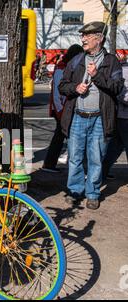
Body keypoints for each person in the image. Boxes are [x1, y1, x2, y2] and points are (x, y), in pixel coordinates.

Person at [59, 21, 124, 210]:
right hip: (78, 116)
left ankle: (93, 193)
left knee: (96, 158)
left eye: (88, 35)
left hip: (100, 119)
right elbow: (62, 85)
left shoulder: (111, 61)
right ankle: (75, 191)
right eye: (83, 36)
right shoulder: (77, 60)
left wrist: (96, 75)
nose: (83, 39)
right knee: (75, 157)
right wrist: (75, 88)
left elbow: (117, 87)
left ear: (99, 38)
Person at [41, 44, 84, 173]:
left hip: (63, 109)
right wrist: (60, 111)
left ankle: (51, 163)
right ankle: (52, 163)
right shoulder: (61, 69)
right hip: (62, 110)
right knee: (63, 136)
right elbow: (57, 94)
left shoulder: (64, 67)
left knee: (61, 137)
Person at [103, 57, 128, 179]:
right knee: (116, 146)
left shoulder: (123, 68)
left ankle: (103, 171)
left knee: (115, 146)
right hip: (124, 116)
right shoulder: (125, 70)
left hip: (121, 115)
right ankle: (103, 171)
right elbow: (122, 94)